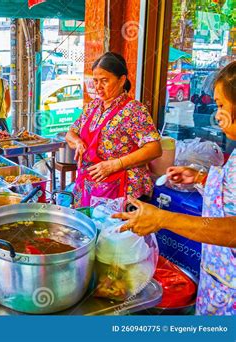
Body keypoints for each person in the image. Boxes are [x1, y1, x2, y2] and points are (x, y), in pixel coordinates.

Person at [114, 61, 236, 316]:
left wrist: (163, 219)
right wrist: (201, 178)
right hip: (218, 279)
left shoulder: (134, 111)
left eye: (222, 105)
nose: (217, 114)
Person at [65, 52, 162, 207]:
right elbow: (70, 133)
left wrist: (114, 165)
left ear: (122, 80)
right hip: (89, 186)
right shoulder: (92, 107)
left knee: (113, 230)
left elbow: (154, 149)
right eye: (95, 81)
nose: (98, 87)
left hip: (123, 189)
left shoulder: (133, 110)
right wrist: (77, 142)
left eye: (104, 81)